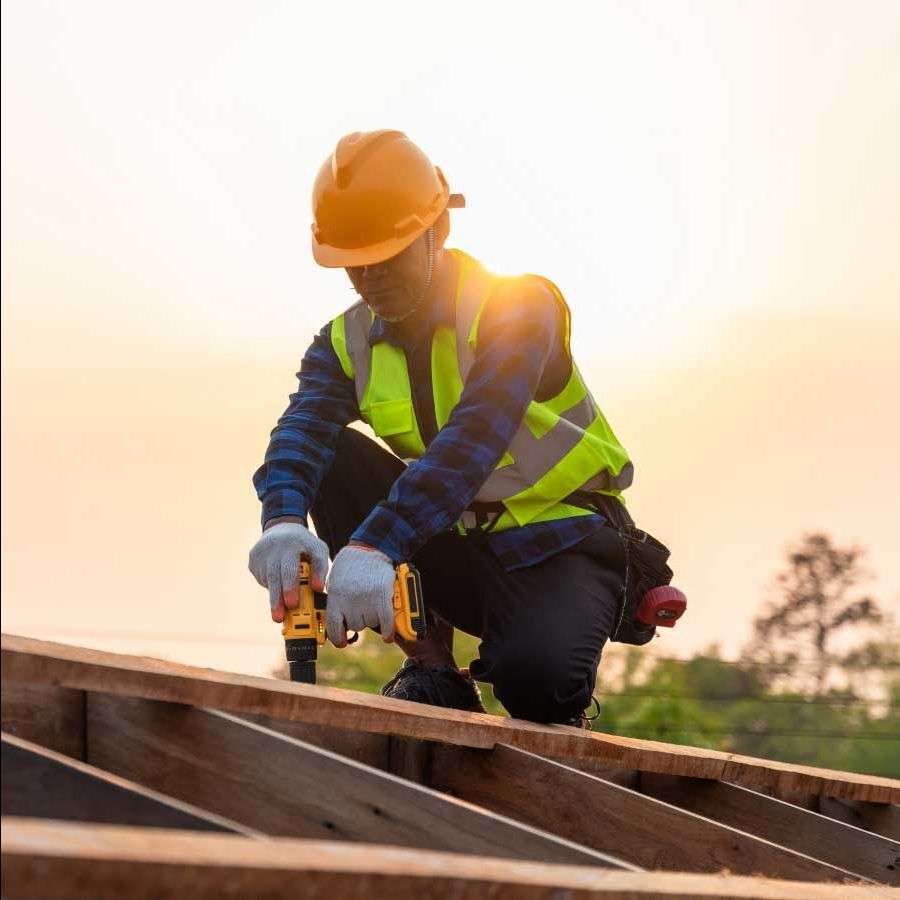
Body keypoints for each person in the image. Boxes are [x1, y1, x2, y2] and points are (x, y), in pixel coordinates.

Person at [249, 130, 643, 725]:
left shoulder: (518, 307)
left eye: (388, 256)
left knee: (536, 685)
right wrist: (281, 520)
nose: (371, 277)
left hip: (560, 543)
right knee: (325, 456)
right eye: (355, 264)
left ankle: (551, 675)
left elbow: (474, 441)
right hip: (451, 541)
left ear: (438, 232)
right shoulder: (343, 343)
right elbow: (302, 428)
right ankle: (432, 667)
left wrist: (374, 544)